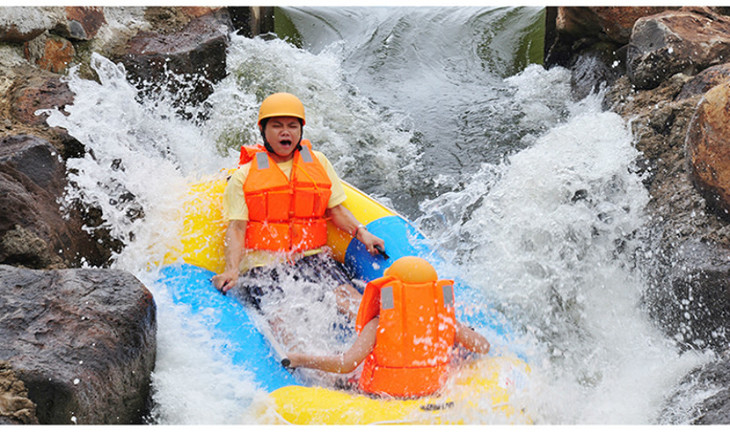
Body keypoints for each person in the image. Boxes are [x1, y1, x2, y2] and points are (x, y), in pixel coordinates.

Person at [211, 92, 385, 346]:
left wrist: (363, 233)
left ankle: (389, 352)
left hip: (313, 258)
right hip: (264, 266)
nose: (286, 132)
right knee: (283, 322)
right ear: (264, 130)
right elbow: (237, 229)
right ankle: (317, 376)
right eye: (277, 126)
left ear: (301, 130)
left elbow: (336, 210)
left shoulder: (319, 163)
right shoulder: (243, 177)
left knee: (353, 303)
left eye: (292, 126)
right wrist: (232, 269)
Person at [285, 256, 491, 398]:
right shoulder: (446, 322)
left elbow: (347, 364)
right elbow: (482, 347)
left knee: (334, 373)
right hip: (431, 391)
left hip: (380, 395)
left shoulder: (378, 324)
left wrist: (301, 359)